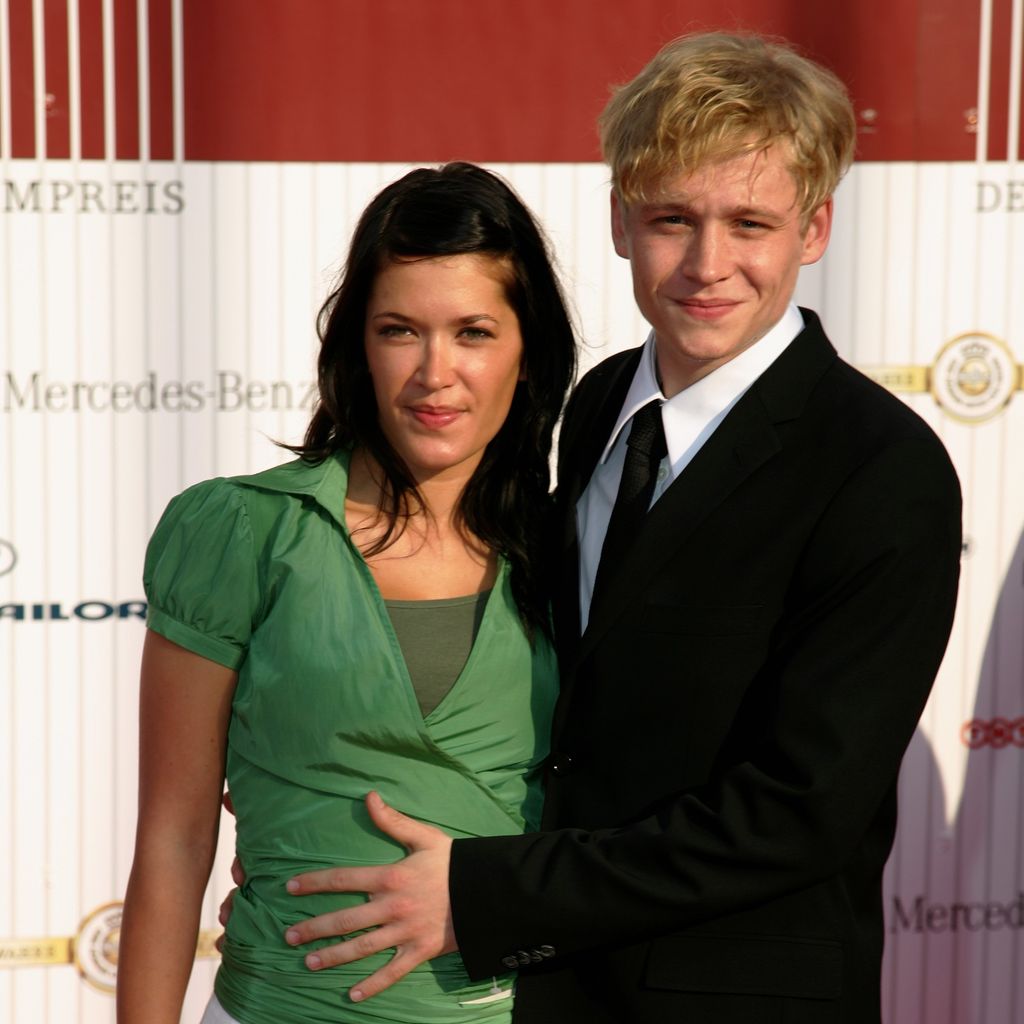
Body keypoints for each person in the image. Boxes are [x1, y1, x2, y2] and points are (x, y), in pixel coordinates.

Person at [268, 32, 963, 1024]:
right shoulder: (596, 405)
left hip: (733, 999)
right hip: (546, 989)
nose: (708, 264)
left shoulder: (880, 470)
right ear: (619, 221)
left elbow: (798, 811)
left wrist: (487, 894)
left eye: (749, 223)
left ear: (813, 228)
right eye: (673, 219)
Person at [116, 162, 577, 1024]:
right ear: (359, 348)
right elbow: (174, 838)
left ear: (527, 351)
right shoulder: (241, 532)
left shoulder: (577, 552)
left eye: (474, 332)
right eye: (401, 330)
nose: (435, 373)